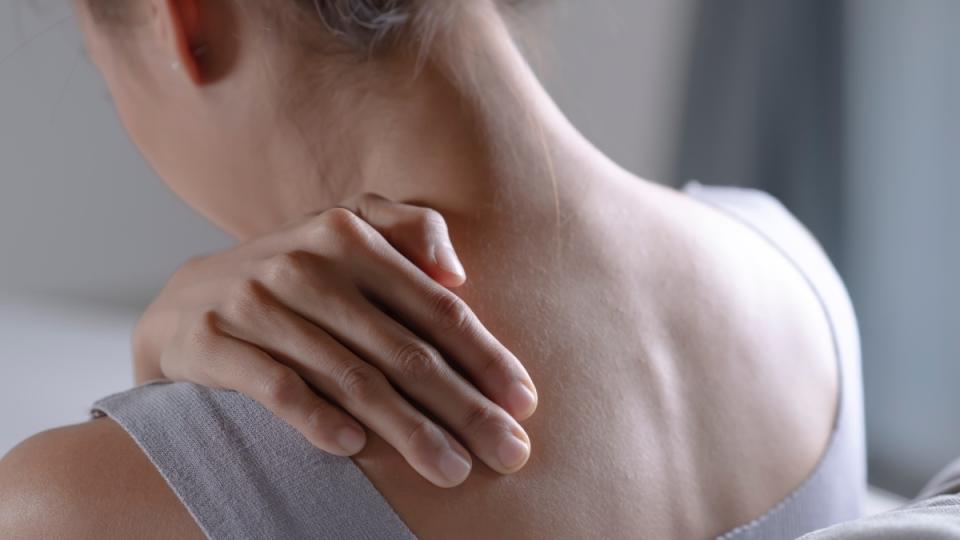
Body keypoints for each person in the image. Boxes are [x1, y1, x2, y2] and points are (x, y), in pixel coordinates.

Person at [0, 0, 864, 538]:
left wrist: (162, 414)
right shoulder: (798, 282)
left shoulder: (62, 507)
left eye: (100, 65)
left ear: (183, 22)